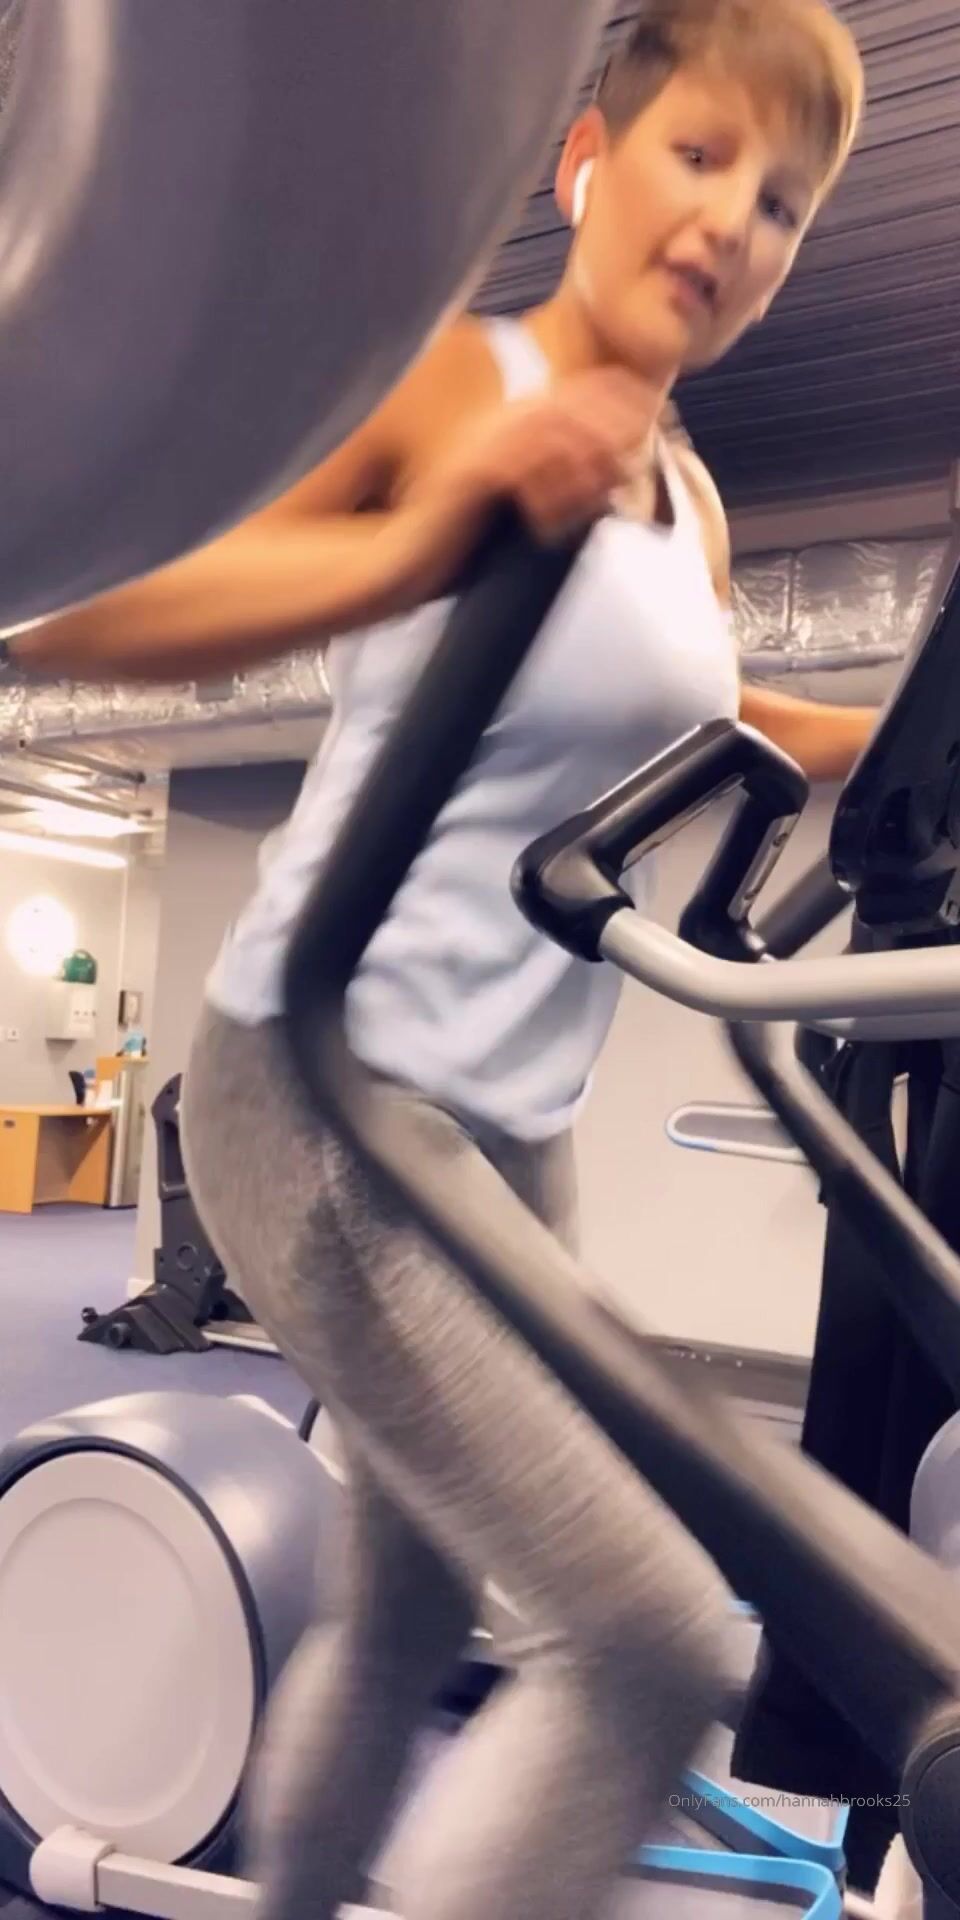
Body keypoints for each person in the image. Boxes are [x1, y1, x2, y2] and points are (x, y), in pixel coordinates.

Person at [14, 4, 868, 1917]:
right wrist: (448, 527)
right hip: (323, 1085)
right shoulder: (456, 386)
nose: (734, 221)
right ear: (588, 161)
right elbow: (89, 609)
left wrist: (903, 752)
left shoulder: (685, 494)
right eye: (702, 154)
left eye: (784, 204)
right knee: (642, 1637)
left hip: (507, 1127)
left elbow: (723, 714)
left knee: (406, 1610)